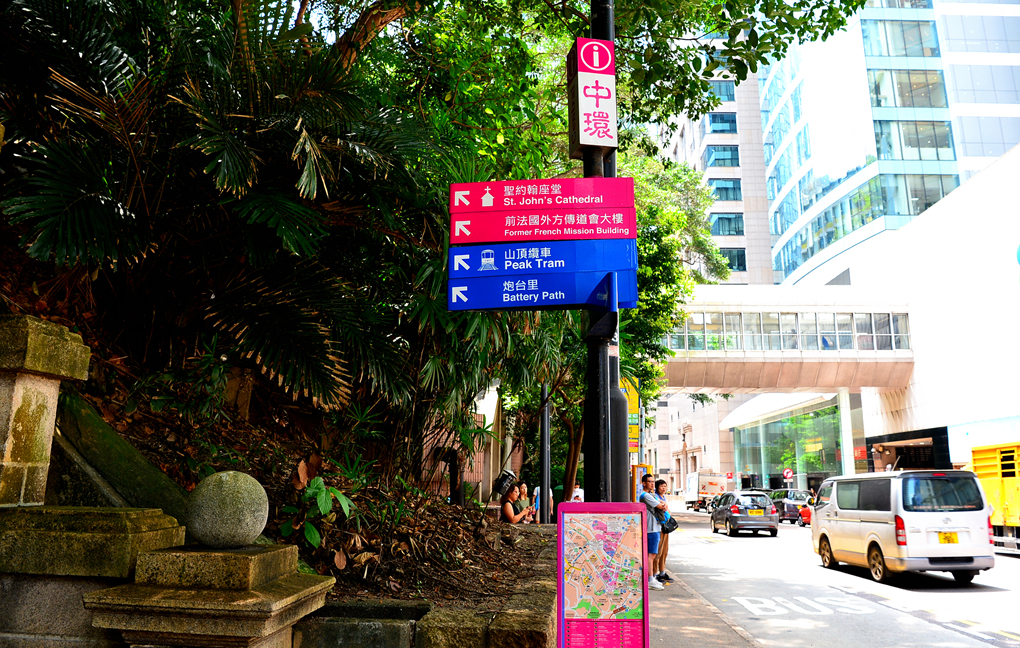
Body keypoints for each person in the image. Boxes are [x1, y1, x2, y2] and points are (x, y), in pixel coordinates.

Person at [639, 474, 668, 590]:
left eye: (653, 481)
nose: (652, 484)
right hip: (651, 529)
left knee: (652, 554)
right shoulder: (646, 496)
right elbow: (662, 506)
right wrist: (662, 505)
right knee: (650, 555)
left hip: (654, 528)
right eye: (650, 481)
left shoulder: (651, 495)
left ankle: (651, 578)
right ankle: (650, 579)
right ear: (644, 483)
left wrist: (663, 504)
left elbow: (663, 504)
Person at [654, 479, 674, 583]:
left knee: (665, 551)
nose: (663, 488)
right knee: (658, 551)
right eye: (661, 486)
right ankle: (655, 573)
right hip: (659, 527)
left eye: (665, 486)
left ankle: (662, 572)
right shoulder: (655, 497)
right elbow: (664, 509)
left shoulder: (663, 497)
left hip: (665, 527)